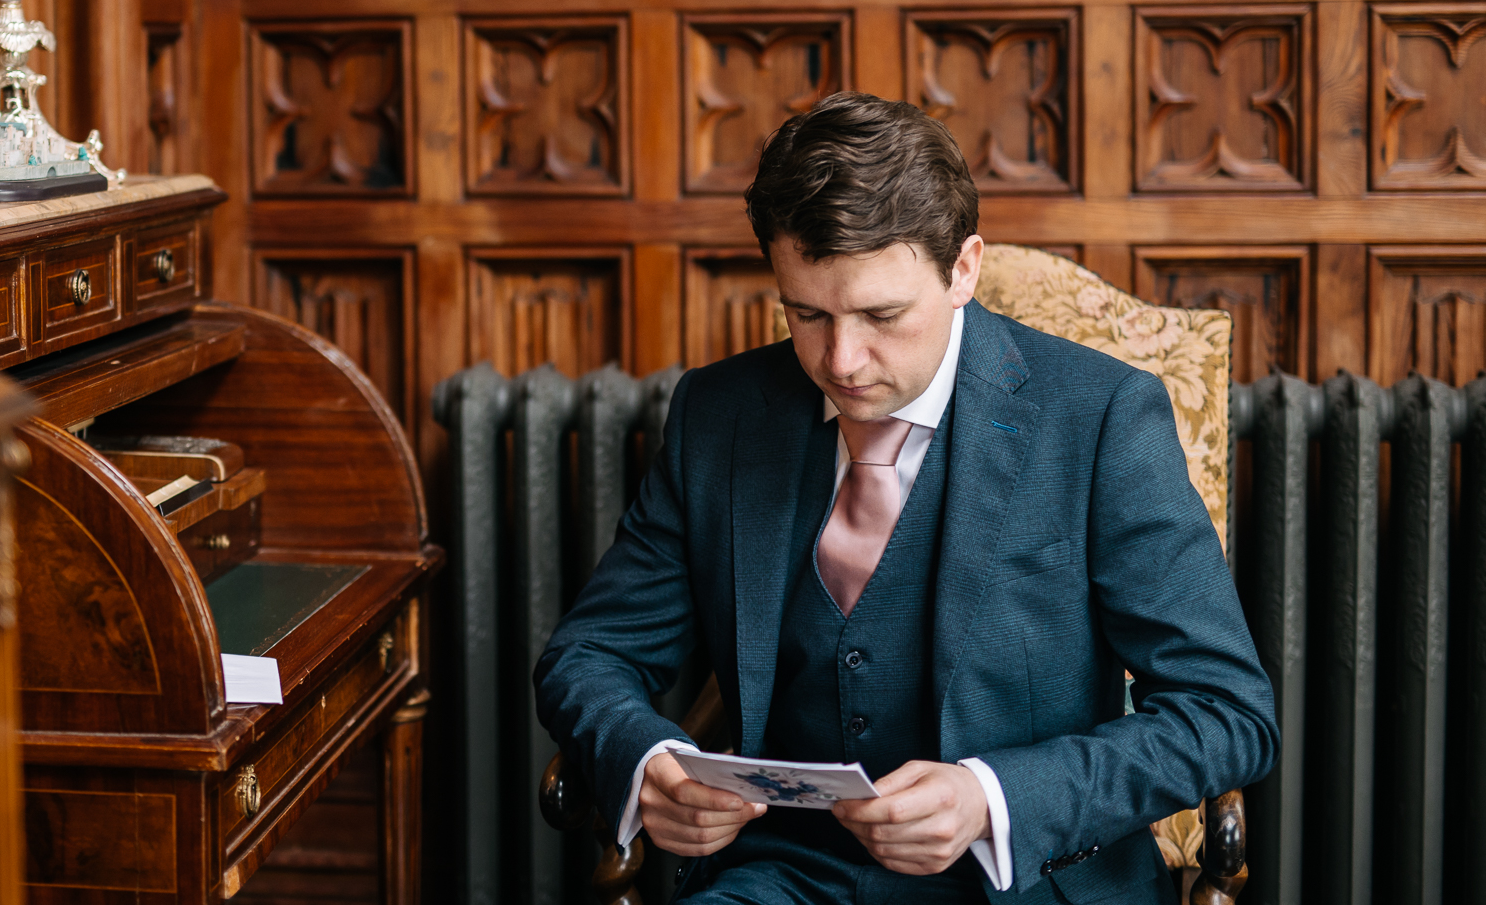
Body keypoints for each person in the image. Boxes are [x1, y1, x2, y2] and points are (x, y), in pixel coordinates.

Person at [534, 93, 1277, 904]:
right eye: (806, 313)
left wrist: (992, 799)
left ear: (963, 268)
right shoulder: (720, 416)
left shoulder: (1099, 417)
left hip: (1025, 884)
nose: (842, 360)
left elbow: (1227, 713)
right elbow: (588, 655)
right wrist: (649, 762)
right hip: (782, 874)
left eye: (881, 315)